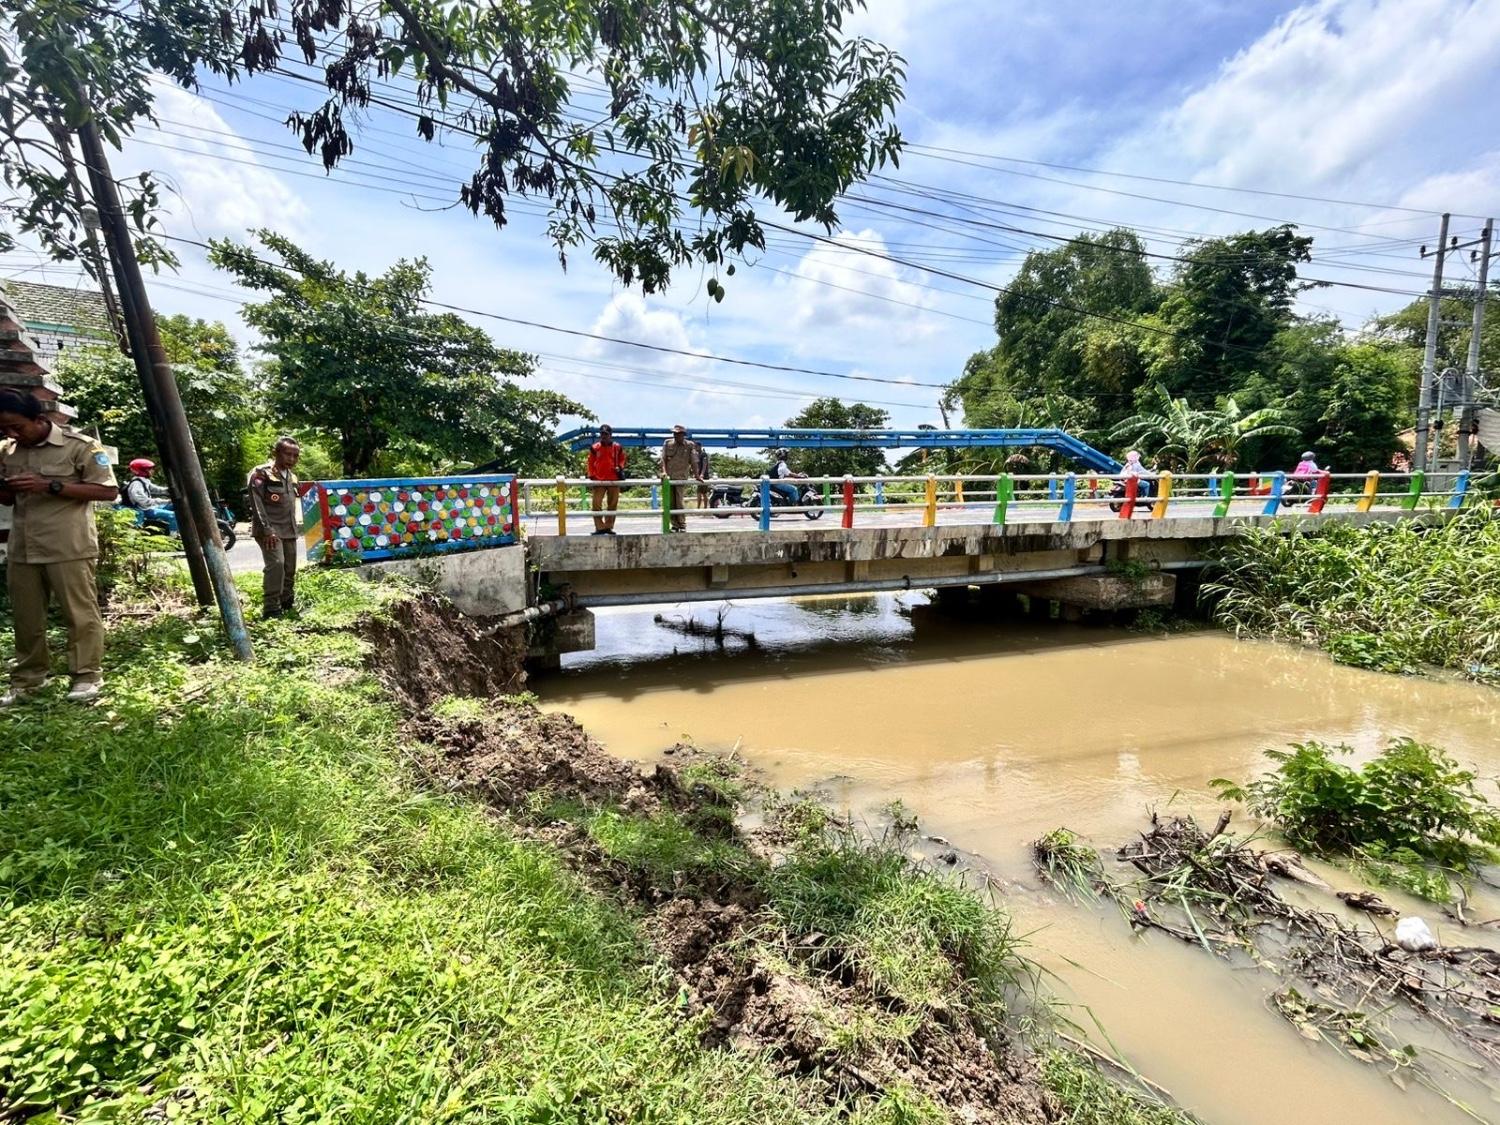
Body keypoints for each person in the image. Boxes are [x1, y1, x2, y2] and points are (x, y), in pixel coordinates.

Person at [0, 389, 119, 705]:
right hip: (23, 548)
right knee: (26, 618)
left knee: (79, 614)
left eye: (16, 426)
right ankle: (28, 679)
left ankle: (85, 676)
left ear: (38, 419)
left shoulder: (80, 447)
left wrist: (50, 485)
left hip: (69, 546)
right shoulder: (7, 452)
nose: (12, 434)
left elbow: (107, 492)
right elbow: (8, 499)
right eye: (4, 429)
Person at [248, 436, 302, 618]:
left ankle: (286, 604)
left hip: (289, 529)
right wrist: (267, 530)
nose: (292, 459)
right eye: (288, 454)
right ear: (276, 453)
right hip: (269, 530)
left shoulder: (292, 477)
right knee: (276, 565)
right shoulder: (261, 473)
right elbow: (257, 504)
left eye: (296, 456)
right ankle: (271, 609)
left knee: (289, 568)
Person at [585, 423, 626, 535]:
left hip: (613, 479)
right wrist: (592, 475)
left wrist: (620, 467)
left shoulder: (617, 447)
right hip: (599, 479)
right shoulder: (595, 448)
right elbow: (590, 462)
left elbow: (623, 459)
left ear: (610, 435)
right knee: (596, 504)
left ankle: (608, 527)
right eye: (602, 434)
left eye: (606, 434)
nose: (604, 436)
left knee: (612, 504)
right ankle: (599, 527)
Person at [659, 424, 700, 532]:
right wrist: (664, 472)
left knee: (679, 501)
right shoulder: (667, 443)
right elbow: (663, 459)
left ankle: (682, 524)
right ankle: (674, 525)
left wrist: (697, 475)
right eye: (675, 433)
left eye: (678, 434)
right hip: (669, 477)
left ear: (683, 435)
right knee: (670, 502)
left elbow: (694, 461)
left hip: (681, 477)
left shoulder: (690, 445)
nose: (676, 436)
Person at [693, 439, 712, 509]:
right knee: (698, 493)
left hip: (704, 476)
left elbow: (704, 465)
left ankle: (705, 508)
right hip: (699, 476)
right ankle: (698, 508)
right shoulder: (697, 455)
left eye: (696, 447)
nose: (695, 448)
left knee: (704, 493)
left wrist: (702, 474)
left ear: (699, 446)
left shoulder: (704, 454)